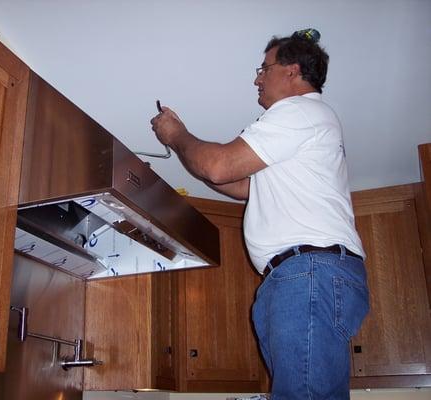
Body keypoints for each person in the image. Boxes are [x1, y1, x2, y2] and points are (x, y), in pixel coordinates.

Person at [150, 30, 370, 400]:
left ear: (292, 71)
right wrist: (195, 164)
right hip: (300, 275)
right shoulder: (302, 132)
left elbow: (219, 166)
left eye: (263, 68)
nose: (256, 78)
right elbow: (239, 185)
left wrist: (178, 136)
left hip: (307, 272)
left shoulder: (300, 111)